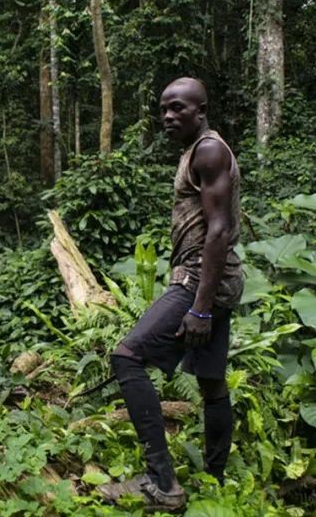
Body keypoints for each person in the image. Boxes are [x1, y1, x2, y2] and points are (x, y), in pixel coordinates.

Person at [98, 77, 243, 512]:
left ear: (201, 111)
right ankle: (215, 479)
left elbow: (217, 231)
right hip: (214, 280)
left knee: (127, 356)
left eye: (178, 108)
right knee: (213, 384)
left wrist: (199, 307)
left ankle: (163, 484)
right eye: (163, 109)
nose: (167, 116)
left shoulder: (209, 150)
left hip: (202, 279)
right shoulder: (196, 151)